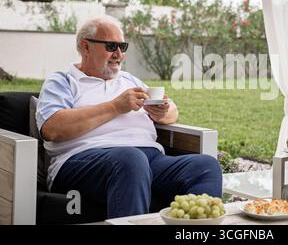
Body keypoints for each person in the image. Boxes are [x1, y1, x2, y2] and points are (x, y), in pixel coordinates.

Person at [36, 16, 222, 219]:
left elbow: (172, 112)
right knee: (130, 159)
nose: (119, 54)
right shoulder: (62, 80)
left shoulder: (129, 80)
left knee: (205, 166)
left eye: (122, 47)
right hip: (82, 160)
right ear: (85, 47)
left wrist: (162, 112)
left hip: (150, 159)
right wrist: (115, 106)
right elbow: (52, 128)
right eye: (111, 46)